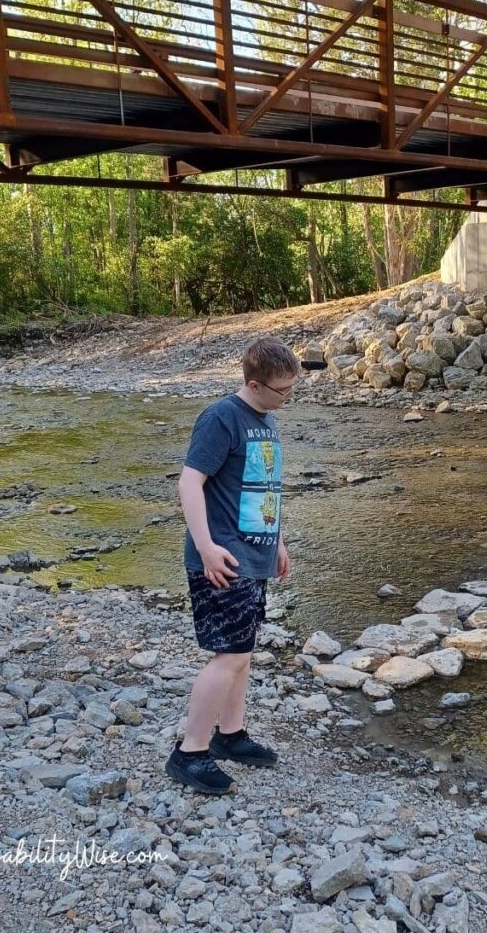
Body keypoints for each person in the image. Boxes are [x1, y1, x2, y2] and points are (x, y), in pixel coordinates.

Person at [165, 336, 300, 795]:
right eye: (283, 390)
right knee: (230, 655)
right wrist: (205, 547)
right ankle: (190, 753)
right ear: (256, 383)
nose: (289, 397)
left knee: (243, 654)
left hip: (255, 556)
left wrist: (277, 541)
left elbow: (263, 489)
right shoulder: (221, 417)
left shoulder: (266, 420)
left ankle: (230, 735)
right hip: (222, 557)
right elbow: (189, 483)